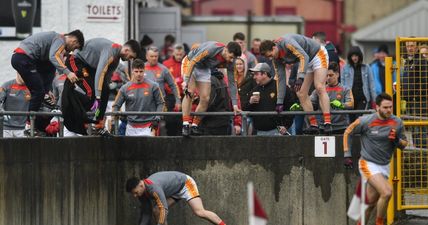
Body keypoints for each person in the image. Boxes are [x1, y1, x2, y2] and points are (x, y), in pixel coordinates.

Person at [343, 93, 407, 225]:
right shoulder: (365, 121)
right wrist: (347, 154)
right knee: (387, 192)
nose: (388, 110)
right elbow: (348, 131)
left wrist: (396, 140)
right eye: (385, 107)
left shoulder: (397, 122)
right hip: (368, 163)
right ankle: (379, 223)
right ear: (377, 107)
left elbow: (404, 145)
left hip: (384, 166)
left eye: (390, 107)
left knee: (370, 204)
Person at [61, 38, 141, 136]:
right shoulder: (111, 52)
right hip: (76, 60)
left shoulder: (115, 60)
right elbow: (100, 74)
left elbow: (105, 81)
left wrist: (101, 99)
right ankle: (75, 113)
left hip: (89, 67)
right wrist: (98, 97)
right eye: (131, 56)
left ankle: (98, 125)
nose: (130, 59)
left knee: (105, 90)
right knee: (91, 91)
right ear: (126, 51)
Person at [10, 30, 84, 134]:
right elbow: (54, 57)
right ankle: (28, 125)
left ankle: (44, 94)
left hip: (29, 59)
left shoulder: (54, 43)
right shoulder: (60, 39)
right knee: (38, 91)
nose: (72, 51)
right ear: (74, 41)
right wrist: (68, 72)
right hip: (22, 58)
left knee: (49, 67)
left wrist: (48, 90)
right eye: (75, 47)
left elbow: (50, 67)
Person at [260, 34, 332, 134]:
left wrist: (300, 77)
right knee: (301, 92)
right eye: (268, 57)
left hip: (317, 54)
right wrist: (279, 101)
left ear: (274, 47)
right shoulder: (276, 59)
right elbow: (281, 79)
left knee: (319, 86)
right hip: (306, 60)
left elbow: (304, 56)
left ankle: (328, 122)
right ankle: (313, 124)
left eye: (270, 55)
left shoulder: (287, 43)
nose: (270, 58)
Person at [181, 41, 241, 136]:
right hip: (190, 62)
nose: (231, 60)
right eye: (231, 57)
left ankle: (194, 125)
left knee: (205, 98)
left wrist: (234, 104)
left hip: (204, 68)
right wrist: (186, 81)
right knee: (190, 92)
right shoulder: (211, 49)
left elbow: (232, 83)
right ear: (225, 50)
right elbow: (193, 62)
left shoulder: (231, 62)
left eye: (233, 58)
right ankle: (185, 124)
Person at [126, 171, 227, 225]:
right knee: (156, 210)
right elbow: (146, 213)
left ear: (141, 185)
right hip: (174, 191)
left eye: (135, 193)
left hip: (185, 184)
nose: (135, 196)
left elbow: (164, 208)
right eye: (133, 194)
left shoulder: (153, 187)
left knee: (199, 212)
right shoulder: (141, 193)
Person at [112, 59, 164, 136]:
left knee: (149, 148)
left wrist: (157, 118)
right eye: (136, 71)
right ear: (132, 71)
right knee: (131, 148)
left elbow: (161, 103)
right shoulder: (125, 88)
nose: (139, 74)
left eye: (141, 71)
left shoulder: (153, 86)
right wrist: (115, 120)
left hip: (149, 125)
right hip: (131, 126)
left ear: (144, 71)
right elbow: (116, 105)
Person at [243, 63, 295, 136]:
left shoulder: (280, 87)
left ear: (264, 74)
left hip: (277, 132)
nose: (254, 77)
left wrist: (286, 125)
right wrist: (250, 102)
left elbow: (292, 106)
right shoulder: (254, 90)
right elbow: (245, 110)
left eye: (256, 74)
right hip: (258, 132)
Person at [310, 62, 353, 134]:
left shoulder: (346, 89)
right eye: (326, 76)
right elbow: (311, 102)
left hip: (341, 126)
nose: (328, 78)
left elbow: (351, 104)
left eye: (330, 75)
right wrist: (301, 105)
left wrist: (341, 105)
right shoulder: (319, 89)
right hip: (323, 126)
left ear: (337, 75)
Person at [199, 69, 241, 135]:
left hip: (211, 122)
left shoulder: (210, 81)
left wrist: (194, 120)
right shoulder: (222, 80)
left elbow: (208, 103)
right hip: (223, 119)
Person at [341, 46, 377, 122]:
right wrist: (342, 98)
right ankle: (353, 133)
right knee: (350, 119)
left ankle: (358, 133)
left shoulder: (366, 67)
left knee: (358, 118)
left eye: (356, 56)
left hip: (362, 97)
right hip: (349, 98)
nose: (354, 58)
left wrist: (375, 100)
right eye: (352, 56)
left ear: (359, 56)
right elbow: (342, 84)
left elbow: (371, 84)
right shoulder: (345, 68)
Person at [145, 46, 181, 112]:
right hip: (145, 103)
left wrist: (178, 101)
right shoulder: (141, 69)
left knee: (160, 121)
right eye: (152, 56)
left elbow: (173, 85)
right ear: (146, 56)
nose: (154, 58)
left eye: (156, 56)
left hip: (160, 104)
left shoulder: (164, 69)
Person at [163, 43, 186, 136]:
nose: (179, 57)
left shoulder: (186, 63)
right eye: (177, 54)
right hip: (170, 97)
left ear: (184, 53)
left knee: (183, 122)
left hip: (184, 96)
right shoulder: (166, 64)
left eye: (181, 55)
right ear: (173, 53)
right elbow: (163, 81)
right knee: (170, 122)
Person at [0, 73, 31, 137]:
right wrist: (3, 113)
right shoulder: (6, 85)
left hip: (23, 128)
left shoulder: (32, 88)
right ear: (17, 71)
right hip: (5, 128)